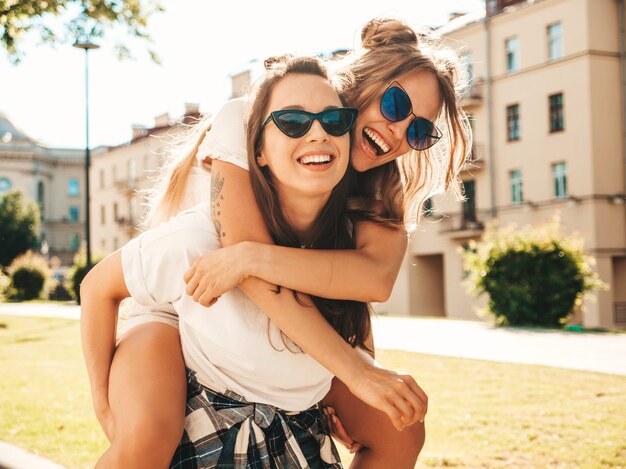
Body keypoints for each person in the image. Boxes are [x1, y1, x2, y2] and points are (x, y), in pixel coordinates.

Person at [81, 54, 428, 468]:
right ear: (258, 151)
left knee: (402, 423)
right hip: (176, 319)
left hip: (265, 354)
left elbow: (357, 295)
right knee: (145, 439)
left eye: (334, 122)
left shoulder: (358, 213)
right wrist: (104, 407)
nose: (399, 129)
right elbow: (97, 286)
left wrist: (356, 374)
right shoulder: (202, 236)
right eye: (294, 123)